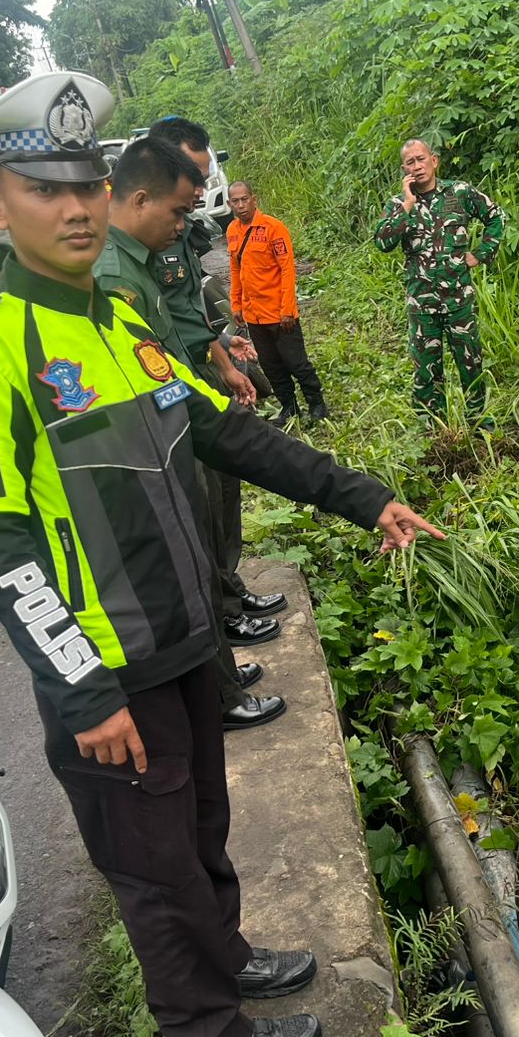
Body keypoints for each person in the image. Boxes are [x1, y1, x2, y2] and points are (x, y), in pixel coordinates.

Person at [0, 70, 445, 1037]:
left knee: (201, 826)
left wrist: (366, 497)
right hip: (108, 668)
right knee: (154, 869)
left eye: (87, 185)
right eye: (45, 189)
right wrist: (82, 691)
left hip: (185, 639)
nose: (76, 209)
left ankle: (229, 959)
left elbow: (229, 433)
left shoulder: (119, 324)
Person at [94, 137, 284, 730]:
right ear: (141, 197)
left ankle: (220, 681)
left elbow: (177, 332)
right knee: (193, 562)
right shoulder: (115, 272)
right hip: (159, 433)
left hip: (178, 414)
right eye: (180, 209)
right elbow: (148, 367)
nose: (185, 222)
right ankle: (219, 695)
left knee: (206, 544)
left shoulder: (138, 259)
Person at [145, 119, 289, 636]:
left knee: (225, 485)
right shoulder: (138, 244)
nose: (203, 187)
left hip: (202, 367)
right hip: (172, 383)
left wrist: (223, 348)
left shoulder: (181, 229)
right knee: (200, 498)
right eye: (195, 175)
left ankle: (230, 585)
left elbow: (189, 309)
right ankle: (220, 610)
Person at [373, 139, 504, 424]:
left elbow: (496, 216)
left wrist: (481, 253)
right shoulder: (397, 204)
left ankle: (479, 422)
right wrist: (408, 204)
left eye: (421, 159)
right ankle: (432, 427)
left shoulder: (459, 192)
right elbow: (382, 242)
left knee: (471, 363)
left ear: (434, 160)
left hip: (459, 301)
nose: (417, 166)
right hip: (422, 304)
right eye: (410, 162)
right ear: (404, 169)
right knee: (426, 371)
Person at [226, 181, 330, 425]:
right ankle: (289, 408)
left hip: (279, 313)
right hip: (254, 315)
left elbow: (287, 270)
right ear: (229, 204)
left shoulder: (273, 228)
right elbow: (235, 269)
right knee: (271, 365)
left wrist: (287, 310)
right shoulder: (232, 230)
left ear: (254, 199)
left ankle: (317, 404)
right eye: (235, 201)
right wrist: (236, 304)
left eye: (244, 199)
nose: (240, 205)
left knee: (296, 363)